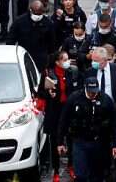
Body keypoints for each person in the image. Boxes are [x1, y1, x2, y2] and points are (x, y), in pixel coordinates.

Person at [58, 75, 116, 182]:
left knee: (97, 175)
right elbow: (63, 120)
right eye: (90, 92)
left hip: (99, 142)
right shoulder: (74, 99)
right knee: (80, 175)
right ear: (85, 88)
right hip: (80, 141)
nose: (93, 94)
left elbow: (115, 124)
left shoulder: (106, 100)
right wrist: (60, 142)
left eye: (95, 91)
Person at [83, 46, 116, 180]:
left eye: (96, 60)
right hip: (97, 112)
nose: (93, 63)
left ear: (105, 60)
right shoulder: (89, 72)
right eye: (92, 60)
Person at [36, 51, 82, 182]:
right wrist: (48, 93)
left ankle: (71, 165)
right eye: (65, 60)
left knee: (71, 139)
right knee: (55, 142)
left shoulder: (71, 72)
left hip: (68, 111)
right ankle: (56, 170)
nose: (68, 62)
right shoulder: (48, 73)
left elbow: (75, 91)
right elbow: (40, 92)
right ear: (57, 62)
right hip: (54, 112)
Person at [6, 0, 57, 72]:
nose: (38, 17)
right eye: (36, 14)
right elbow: (11, 39)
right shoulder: (20, 22)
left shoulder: (48, 23)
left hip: (41, 59)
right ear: (30, 11)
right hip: (24, 56)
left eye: (40, 14)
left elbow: (52, 43)